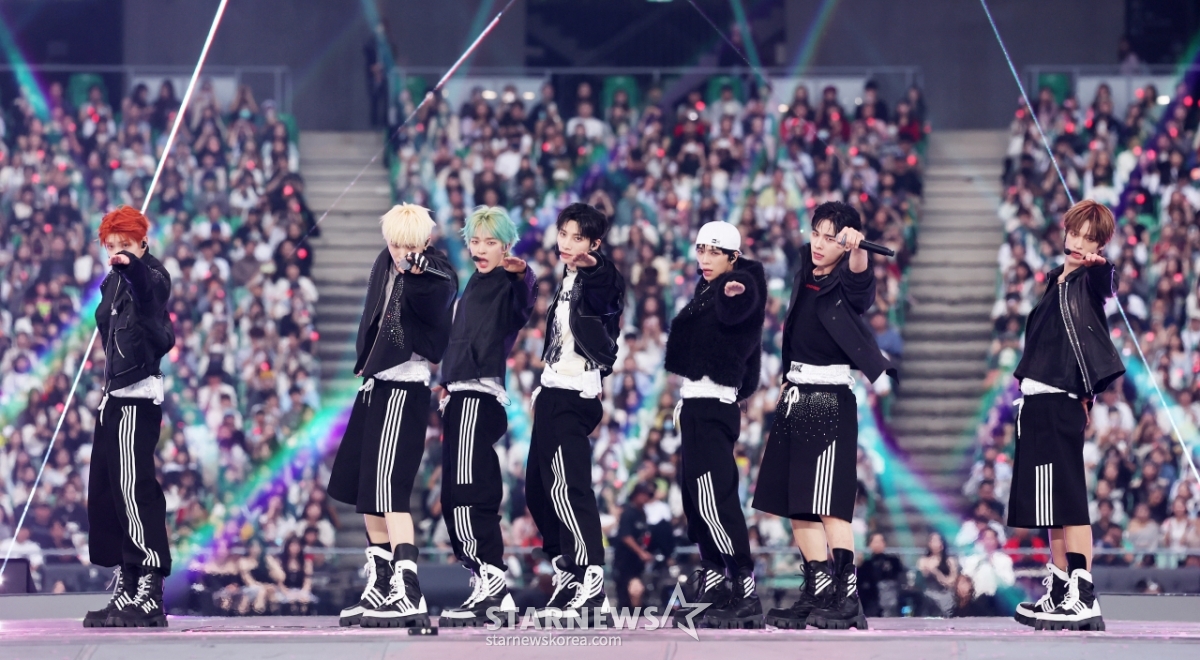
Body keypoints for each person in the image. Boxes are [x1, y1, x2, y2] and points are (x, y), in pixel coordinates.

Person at [754, 201, 894, 631]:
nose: (818, 243)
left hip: (829, 399)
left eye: (830, 238)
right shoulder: (805, 271)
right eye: (816, 233)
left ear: (846, 242)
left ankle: (847, 598)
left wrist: (857, 250)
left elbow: (861, 287)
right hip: (796, 392)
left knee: (830, 503)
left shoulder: (845, 282)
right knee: (797, 502)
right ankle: (817, 590)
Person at [327, 203, 457, 628]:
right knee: (367, 489)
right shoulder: (383, 263)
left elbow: (442, 286)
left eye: (409, 245)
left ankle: (408, 588)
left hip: (405, 386)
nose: (401, 252)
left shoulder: (432, 272)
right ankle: (382, 583)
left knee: (389, 492)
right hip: (376, 384)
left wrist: (419, 267)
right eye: (395, 243)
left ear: (425, 242)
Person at [1009, 200, 1122, 632]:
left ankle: (1083, 596)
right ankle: (1060, 593)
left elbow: (1107, 283)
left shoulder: (1088, 281)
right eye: (1075, 232)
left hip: (1059, 403)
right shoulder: (1056, 279)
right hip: (1037, 402)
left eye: (1089, 238)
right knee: (1050, 506)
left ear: (1099, 245)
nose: (1078, 242)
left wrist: (1100, 266)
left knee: (1069, 503)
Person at [662, 220, 766, 628]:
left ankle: (743, 588)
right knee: (695, 501)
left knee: (713, 499)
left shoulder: (739, 286)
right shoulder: (707, 287)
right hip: (696, 404)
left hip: (712, 406)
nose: (705, 258)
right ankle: (715, 584)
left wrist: (735, 290)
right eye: (701, 249)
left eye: (715, 251)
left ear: (733, 257)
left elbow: (737, 310)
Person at [526, 203, 625, 623]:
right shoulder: (565, 278)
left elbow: (608, 288)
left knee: (570, 488)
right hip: (552, 392)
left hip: (575, 395)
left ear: (595, 244)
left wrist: (594, 265)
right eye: (563, 234)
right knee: (538, 491)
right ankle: (568, 573)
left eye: (578, 238)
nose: (567, 243)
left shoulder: (597, 279)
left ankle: (592, 582)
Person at [437, 206, 535, 626]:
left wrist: (522, 273)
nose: (480, 248)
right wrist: (446, 383)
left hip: (478, 398)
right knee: (454, 496)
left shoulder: (506, 283)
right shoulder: (473, 285)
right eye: (475, 241)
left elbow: (524, 302)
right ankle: (485, 581)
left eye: (490, 242)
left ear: (506, 247)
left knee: (468, 492)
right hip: (460, 396)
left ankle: (492, 582)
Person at [84, 206, 175, 628]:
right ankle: (128, 580)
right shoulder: (112, 282)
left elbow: (148, 294)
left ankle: (149, 587)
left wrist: (131, 266)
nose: (118, 252)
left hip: (136, 398)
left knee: (134, 490)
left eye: (126, 244)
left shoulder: (150, 275)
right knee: (109, 493)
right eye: (111, 245)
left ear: (142, 243)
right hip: (115, 397)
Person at [859, 532, 906, 617]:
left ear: (884, 543)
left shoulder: (893, 561)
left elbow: (901, 576)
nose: (878, 544)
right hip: (872, 599)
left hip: (892, 596)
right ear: (870, 545)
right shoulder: (866, 565)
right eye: (875, 542)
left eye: (880, 541)